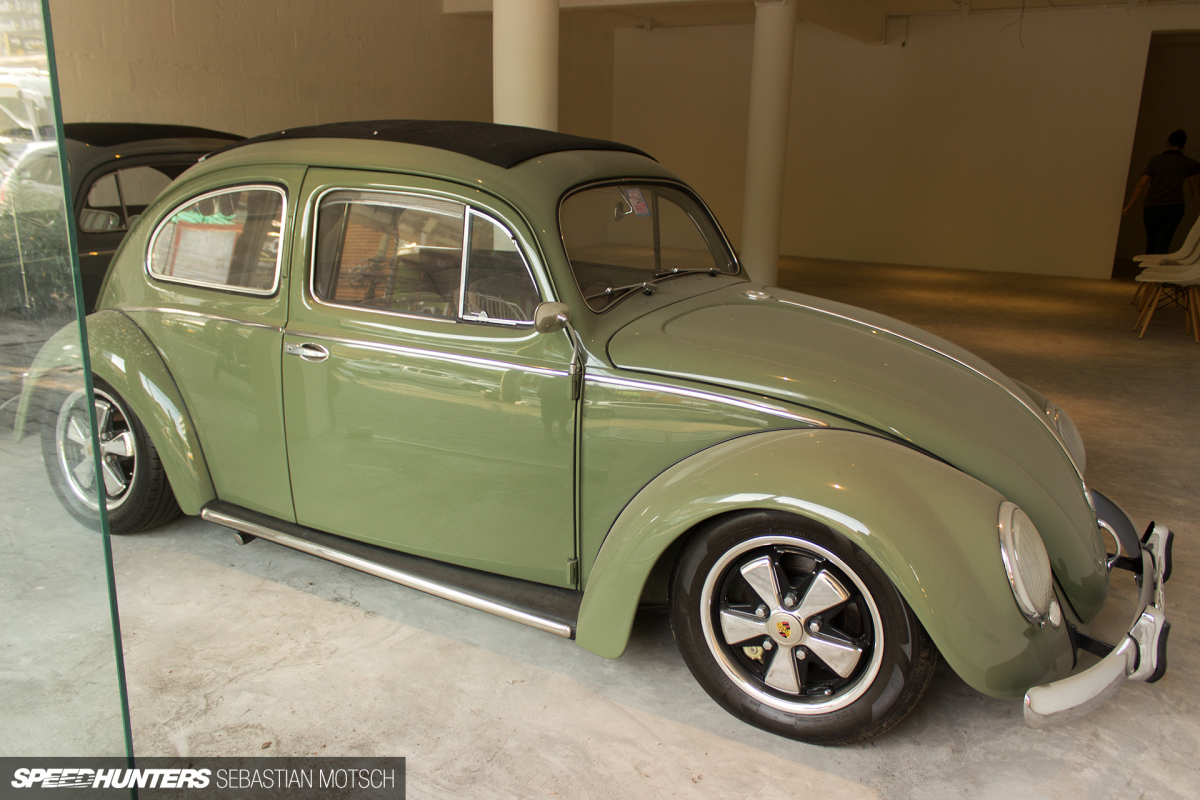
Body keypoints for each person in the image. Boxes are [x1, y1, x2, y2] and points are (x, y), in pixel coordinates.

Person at [1123, 129, 1200, 255]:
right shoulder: (1187, 162)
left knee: (1151, 241)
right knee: (1163, 242)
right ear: (1183, 145)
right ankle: (1157, 266)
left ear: (1168, 142)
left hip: (1152, 206)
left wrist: (1129, 206)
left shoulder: (1156, 160)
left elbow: (1142, 184)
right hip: (1174, 206)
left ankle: (1148, 265)